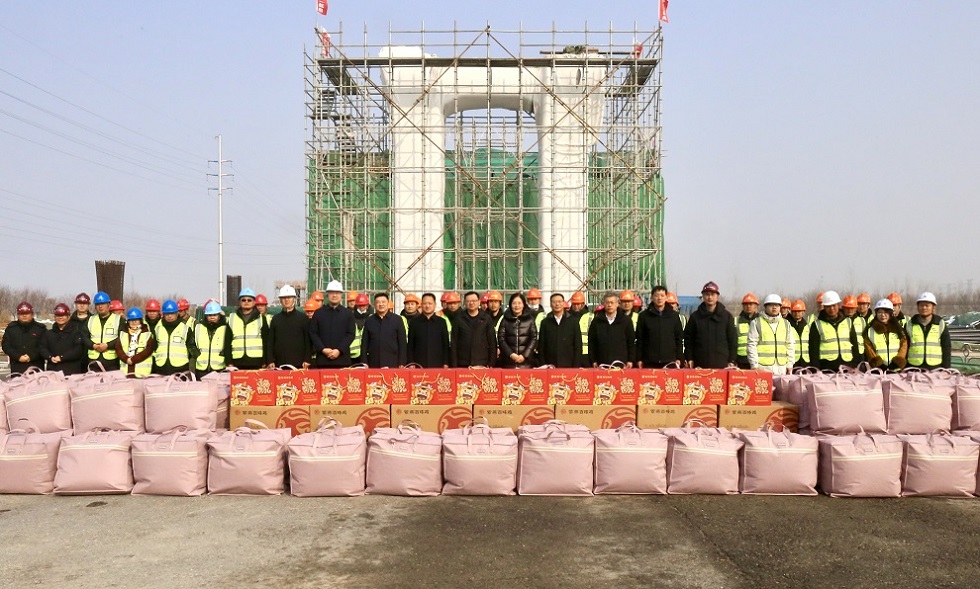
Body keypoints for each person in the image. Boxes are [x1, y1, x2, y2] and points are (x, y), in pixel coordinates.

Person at [684, 281, 737, 369]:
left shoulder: (727, 317)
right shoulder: (695, 317)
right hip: (700, 365)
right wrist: (689, 358)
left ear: (717, 296)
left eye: (712, 294)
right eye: (707, 294)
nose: (710, 297)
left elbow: (732, 340)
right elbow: (689, 340)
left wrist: (732, 360)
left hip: (722, 365)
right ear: (703, 296)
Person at [309, 280, 356, 368]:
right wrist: (322, 349)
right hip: (323, 360)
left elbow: (351, 334)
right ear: (327, 294)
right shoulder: (318, 313)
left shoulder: (348, 314)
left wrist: (339, 350)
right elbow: (313, 333)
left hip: (342, 360)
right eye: (332, 293)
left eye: (337, 293)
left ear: (341, 295)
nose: (334, 295)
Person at [808, 290, 859, 371]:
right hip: (826, 368)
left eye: (834, 305)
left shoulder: (848, 322)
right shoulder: (817, 325)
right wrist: (815, 370)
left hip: (847, 367)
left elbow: (855, 345)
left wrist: (856, 365)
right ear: (824, 307)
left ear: (838, 305)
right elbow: (813, 350)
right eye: (828, 306)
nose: (832, 309)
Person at [635, 285, 684, 368]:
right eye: (656, 295)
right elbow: (640, 339)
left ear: (666, 297)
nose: (659, 298)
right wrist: (639, 359)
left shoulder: (674, 316)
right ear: (652, 297)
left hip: (670, 360)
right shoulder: (644, 316)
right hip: (649, 361)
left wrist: (679, 358)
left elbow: (678, 339)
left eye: (662, 295)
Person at [747, 294, 796, 375]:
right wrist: (754, 365)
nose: (774, 307)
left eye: (777, 305)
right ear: (765, 307)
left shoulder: (786, 323)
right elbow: (751, 345)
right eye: (771, 305)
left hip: (781, 367)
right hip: (762, 367)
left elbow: (790, 344)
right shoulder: (756, 323)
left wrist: (790, 364)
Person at [224, 288, 270, 370]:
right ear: (239, 302)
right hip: (237, 362)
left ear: (254, 302)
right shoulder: (232, 318)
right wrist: (229, 362)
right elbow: (227, 342)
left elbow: (266, 341)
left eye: (249, 300)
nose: (246, 302)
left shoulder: (261, 318)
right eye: (243, 300)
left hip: (257, 362)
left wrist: (265, 361)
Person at [450, 291, 497, 368]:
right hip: (462, 363)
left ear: (479, 302)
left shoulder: (486, 319)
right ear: (465, 303)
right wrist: (454, 364)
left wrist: (491, 363)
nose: (471, 303)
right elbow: (454, 343)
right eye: (468, 301)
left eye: (474, 301)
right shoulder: (459, 319)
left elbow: (492, 342)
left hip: (482, 363)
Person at [588, 291, 635, 367]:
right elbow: (592, 342)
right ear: (604, 304)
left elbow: (631, 342)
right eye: (607, 302)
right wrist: (593, 360)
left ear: (617, 304)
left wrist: (630, 360)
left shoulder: (625, 321)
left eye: (612, 302)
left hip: (621, 363)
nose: (609, 305)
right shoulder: (596, 321)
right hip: (601, 363)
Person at [269, 284, 311, 369]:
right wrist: (270, 360)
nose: (286, 300)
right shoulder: (276, 319)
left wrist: (307, 359)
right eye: (284, 298)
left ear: (294, 299)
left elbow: (308, 341)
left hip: (299, 364)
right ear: (280, 300)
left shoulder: (303, 318)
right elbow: (270, 342)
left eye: (289, 297)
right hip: (279, 364)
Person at [905, 292, 951, 369]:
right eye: (921, 305)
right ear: (917, 307)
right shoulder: (910, 324)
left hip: (935, 368)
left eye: (927, 305)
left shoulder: (940, 324)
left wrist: (946, 368)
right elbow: (905, 347)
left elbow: (946, 347)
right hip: (914, 368)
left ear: (933, 307)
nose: (924, 308)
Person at [361, 293, 408, 368]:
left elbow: (402, 343)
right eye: (378, 302)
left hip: (393, 362)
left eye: (383, 302)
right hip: (373, 362)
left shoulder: (397, 320)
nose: (381, 304)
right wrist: (364, 361)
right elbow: (364, 343)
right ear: (374, 305)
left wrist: (402, 362)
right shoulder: (369, 321)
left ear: (388, 303)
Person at [537, 292, 582, 368]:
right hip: (550, 365)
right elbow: (541, 346)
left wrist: (576, 366)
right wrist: (543, 365)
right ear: (550, 304)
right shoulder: (545, 323)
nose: (557, 304)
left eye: (559, 302)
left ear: (563, 303)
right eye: (554, 302)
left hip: (569, 365)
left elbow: (578, 345)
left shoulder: (573, 321)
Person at [2, 301, 47, 374]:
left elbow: (44, 346)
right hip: (17, 367)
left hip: (36, 367)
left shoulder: (40, 329)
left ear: (32, 314)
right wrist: (18, 357)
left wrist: (31, 356)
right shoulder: (11, 329)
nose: (24, 316)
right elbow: (6, 345)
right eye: (21, 314)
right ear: (18, 315)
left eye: (27, 313)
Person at [41, 303, 86, 375]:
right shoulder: (48, 333)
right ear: (54, 317)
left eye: (63, 315)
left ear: (68, 317)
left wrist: (62, 358)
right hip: (53, 371)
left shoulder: (76, 332)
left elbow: (78, 350)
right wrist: (50, 357)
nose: (60, 318)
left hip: (72, 372)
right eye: (58, 315)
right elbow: (42, 348)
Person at [864, 299, 908, 371]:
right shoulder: (870, 330)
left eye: (886, 312)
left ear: (890, 313)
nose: (883, 315)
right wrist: (877, 362)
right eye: (880, 312)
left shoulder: (898, 329)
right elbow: (868, 347)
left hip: (896, 368)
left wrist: (898, 360)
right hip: (878, 369)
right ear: (876, 313)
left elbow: (904, 345)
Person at [408, 293, 451, 368]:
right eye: (425, 303)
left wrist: (446, 362)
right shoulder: (414, 322)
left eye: (430, 303)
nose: (427, 306)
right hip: (418, 363)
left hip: (438, 363)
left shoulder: (441, 322)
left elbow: (445, 344)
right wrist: (411, 362)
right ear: (421, 305)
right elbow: (410, 344)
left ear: (435, 305)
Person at [153, 299, 193, 375]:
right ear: (163, 314)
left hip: (181, 369)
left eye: (172, 313)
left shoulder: (186, 329)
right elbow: (154, 348)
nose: (170, 316)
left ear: (177, 313)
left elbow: (192, 351)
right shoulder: (157, 329)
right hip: (161, 369)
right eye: (167, 314)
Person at [498, 292, 537, 368]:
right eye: (514, 303)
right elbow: (501, 338)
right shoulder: (505, 320)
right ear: (510, 305)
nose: (517, 306)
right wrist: (511, 354)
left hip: (526, 363)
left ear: (523, 305)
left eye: (519, 303)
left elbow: (533, 338)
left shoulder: (530, 320)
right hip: (508, 362)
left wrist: (524, 355)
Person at [85, 291, 122, 371]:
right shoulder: (90, 320)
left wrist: (108, 345)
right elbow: (84, 338)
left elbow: (122, 338)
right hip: (93, 362)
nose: (100, 306)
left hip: (112, 362)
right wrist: (93, 345)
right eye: (98, 304)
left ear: (108, 305)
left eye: (103, 304)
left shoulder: (119, 320)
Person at [116, 307, 155, 378]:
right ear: (128, 321)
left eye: (136, 320)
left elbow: (149, 350)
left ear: (140, 321)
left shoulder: (147, 334)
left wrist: (134, 359)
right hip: (125, 373)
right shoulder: (123, 334)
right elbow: (118, 349)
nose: (133, 322)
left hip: (141, 374)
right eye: (131, 320)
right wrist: (126, 359)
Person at [193, 301, 228, 377]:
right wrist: (196, 354)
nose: (212, 317)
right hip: (201, 368)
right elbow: (192, 344)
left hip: (220, 368)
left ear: (219, 315)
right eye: (209, 315)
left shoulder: (225, 329)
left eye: (215, 315)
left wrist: (224, 354)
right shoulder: (199, 327)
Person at [735, 293, 760, 369]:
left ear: (756, 306)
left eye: (751, 304)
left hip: (758, 359)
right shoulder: (736, 321)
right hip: (740, 360)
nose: (748, 306)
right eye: (746, 304)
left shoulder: (761, 321)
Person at [350, 293, 372, 364]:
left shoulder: (371, 318)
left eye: (364, 305)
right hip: (353, 354)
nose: (362, 307)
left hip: (368, 352)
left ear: (367, 305)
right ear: (357, 305)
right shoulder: (350, 317)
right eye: (360, 305)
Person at [788, 300, 811, 368]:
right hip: (792, 362)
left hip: (806, 361)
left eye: (799, 311)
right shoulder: (787, 326)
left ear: (803, 312)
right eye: (794, 311)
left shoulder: (807, 326)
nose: (797, 313)